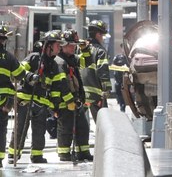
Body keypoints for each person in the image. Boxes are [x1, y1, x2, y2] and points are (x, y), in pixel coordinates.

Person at [8, 30, 73, 164]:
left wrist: (55, 106)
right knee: (20, 128)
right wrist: (31, 77)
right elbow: (19, 71)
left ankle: (37, 155)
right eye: (56, 45)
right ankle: (13, 154)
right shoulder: (34, 58)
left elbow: (56, 88)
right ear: (48, 45)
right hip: (25, 100)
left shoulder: (54, 65)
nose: (59, 47)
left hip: (41, 103)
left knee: (39, 131)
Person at [56, 29, 93, 161]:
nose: (73, 48)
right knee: (66, 128)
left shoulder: (72, 59)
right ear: (63, 45)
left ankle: (83, 153)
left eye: (75, 45)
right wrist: (68, 101)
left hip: (75, 100)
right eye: (71, 45)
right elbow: (62, 84)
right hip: (64, 101)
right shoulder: (59, 61)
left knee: (82, 127)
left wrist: (85, 49)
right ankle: (64, 153)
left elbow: (88, 62)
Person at [0, 24, 26, 167]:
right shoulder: (8, 57)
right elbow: (20, 74)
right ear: (3, 40)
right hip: (3, 102)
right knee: (1, 131)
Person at [81, 20, 111, 122]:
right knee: (102, 122)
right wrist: (106, 89)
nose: (102, 38)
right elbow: (103, 71)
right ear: (98, 34)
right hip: (95, 94)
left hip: (80, 93)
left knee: (78, 123)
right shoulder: (100, 51)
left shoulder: (80, 48)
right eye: (102, 35)